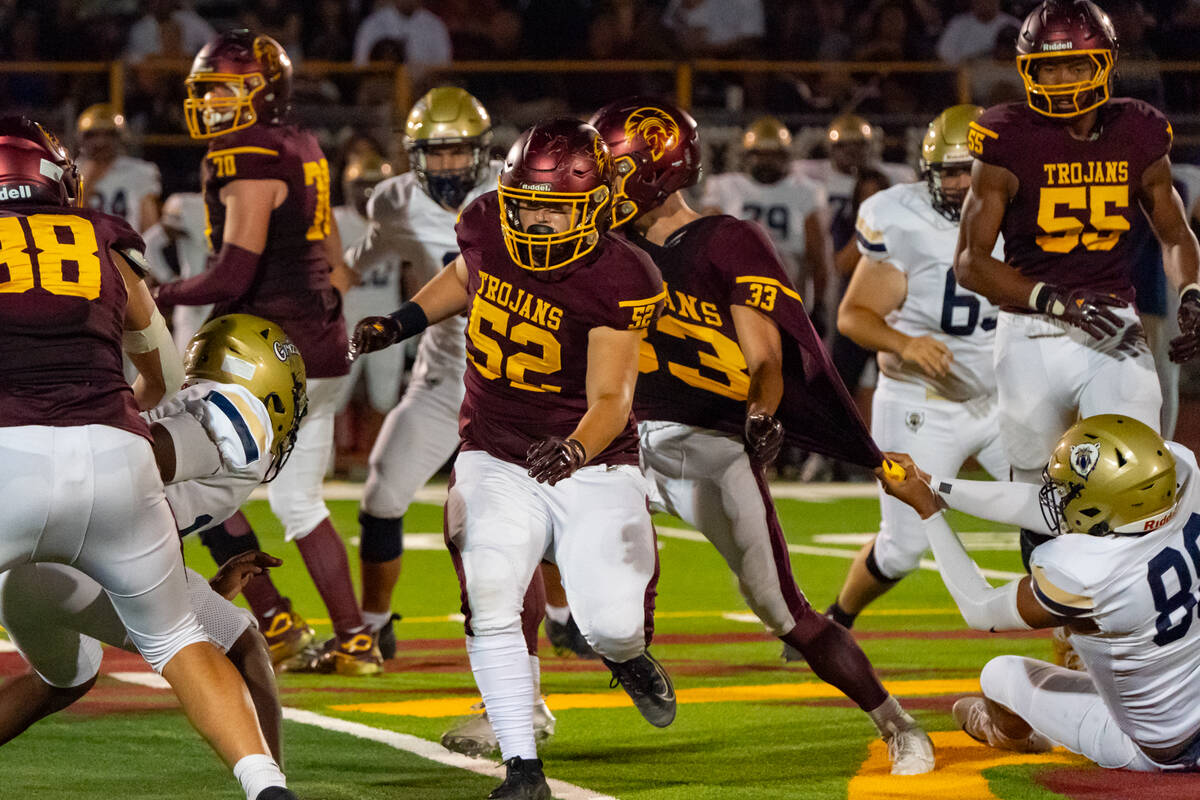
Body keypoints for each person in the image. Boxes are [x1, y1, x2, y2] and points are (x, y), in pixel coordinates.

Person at [589, 96, 935, 776]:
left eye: (614, 169)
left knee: (785, 611)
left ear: (659, 169)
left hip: (704, 443)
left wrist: (762, 412)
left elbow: (769, 358)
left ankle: (897, 724)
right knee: (514, 536)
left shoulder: (727, 240)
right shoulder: (605, 246)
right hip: (619, 437)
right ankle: (523, 705)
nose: (601, 184)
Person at [349, 117, 671, 800]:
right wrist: (402, 321)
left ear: (595, 207)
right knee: (491, 590)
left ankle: (629, 655)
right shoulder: (488, 220)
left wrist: (577, 446)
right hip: (495, 449)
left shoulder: (619, 272)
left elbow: (613, 396)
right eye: (527, 201)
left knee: (608, 625)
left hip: (592, 460)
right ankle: (523, 768)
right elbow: (465, 276)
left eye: (555, 207)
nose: (535, 219)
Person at [0, 115, 294, 800]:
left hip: (8, 459)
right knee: (177, 640)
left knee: (80, 659)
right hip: (116, 455)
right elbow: (161, 371)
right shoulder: (99, 236)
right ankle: (266, 783)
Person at [153, 30, 378, 675]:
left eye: (226, 88)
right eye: (208, 90)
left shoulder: (245, 155)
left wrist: (153, 291)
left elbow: (231, 277)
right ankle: (353, 639)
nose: (214, 103)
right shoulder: (302, 143)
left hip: (266, 351)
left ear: (262, 91)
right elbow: (335, 259)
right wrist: (322, 316)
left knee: (196, 479)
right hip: (321, 345)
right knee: (299, 501)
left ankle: (274, 620)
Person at [953, 0, 1200, 568]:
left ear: (1106, 65)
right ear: (1027, 72)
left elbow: (1176, 234)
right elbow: (969, 262)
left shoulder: (1139, 129)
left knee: (1138, 477)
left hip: (1112, 324)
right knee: (1041, 497)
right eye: (1048, 68)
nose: (1061, 82)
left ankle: (1135, 623)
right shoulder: (1005, 137)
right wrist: (1053, 297)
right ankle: (1064, 624)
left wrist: (1190, 294)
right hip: (1032, 326)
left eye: (1075, 67)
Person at [0, 312, 307, 765]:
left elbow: (144, 510)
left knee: (67, 677)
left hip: (31, 567)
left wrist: (206, 587)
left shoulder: (196, 403)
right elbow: (130, 470)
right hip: (71, 553)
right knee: (242, 642)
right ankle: (272, 788)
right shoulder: (231, 413)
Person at [877, 414, 1200, 772]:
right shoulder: (1182, 481)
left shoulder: (1089, 574)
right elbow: (1056, 508)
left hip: (1162, 743)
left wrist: (929, 512)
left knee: (998, 674)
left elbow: (979, 608)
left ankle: (1010, 735)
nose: (1055, 498)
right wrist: (933, 484)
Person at [827, 105, 1008, 629]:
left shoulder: (1026, 213)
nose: (956, 183)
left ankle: (1074, 633)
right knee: (902, 551)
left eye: (967, 169)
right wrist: (905, 343)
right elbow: (853, 316)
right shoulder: (902, 218)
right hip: (921, 404)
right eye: (946, 171)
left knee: (1057, 510)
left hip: (1001, 402)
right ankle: (837, 620)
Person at [346, 87, 500, 659]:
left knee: (538, 512)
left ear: (482, 152)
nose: (448, 166)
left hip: (521, 382)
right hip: (444, 379)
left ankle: (560, 617)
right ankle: (373, 623)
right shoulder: (396, 201)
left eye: (458, 152)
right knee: (382, 493)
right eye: (435, 154)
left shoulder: (517, 193)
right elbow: (362, 258)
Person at [700, 115, 832, 319]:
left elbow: (817, 255)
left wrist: (820, 303)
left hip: (788, 286)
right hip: (737, 284)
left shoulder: (805, 190)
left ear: (787, 157)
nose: (767, 162)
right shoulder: (725, 187)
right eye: (760, 155)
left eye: (774, 156)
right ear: (746, 156)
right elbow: (705, 242)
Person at [335, 150, 402, 417]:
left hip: (386, 323)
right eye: (362, 185)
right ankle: (333, 459)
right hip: (343, 324)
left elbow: (413, 272)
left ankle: (375, 458)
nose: (367, 193)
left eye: (374, 186)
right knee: (332, 402)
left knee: (386, 400)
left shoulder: (397, 224)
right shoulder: (335, 221)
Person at [76, 103, 161, 233]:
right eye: (93, 135)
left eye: (108, 135)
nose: (100, 142)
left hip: (127, 249)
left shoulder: (140, 171)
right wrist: (89, 177)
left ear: (119, 138)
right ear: (82, 139)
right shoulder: (69, 172)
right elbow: (69, 218)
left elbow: (150, 226)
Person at [142, 191, 210, 351]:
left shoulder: (241, 204)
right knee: (186, 366)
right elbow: (149, 243)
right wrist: (170, 281)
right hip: (192, 305)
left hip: (221, 301)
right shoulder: (188, 204)